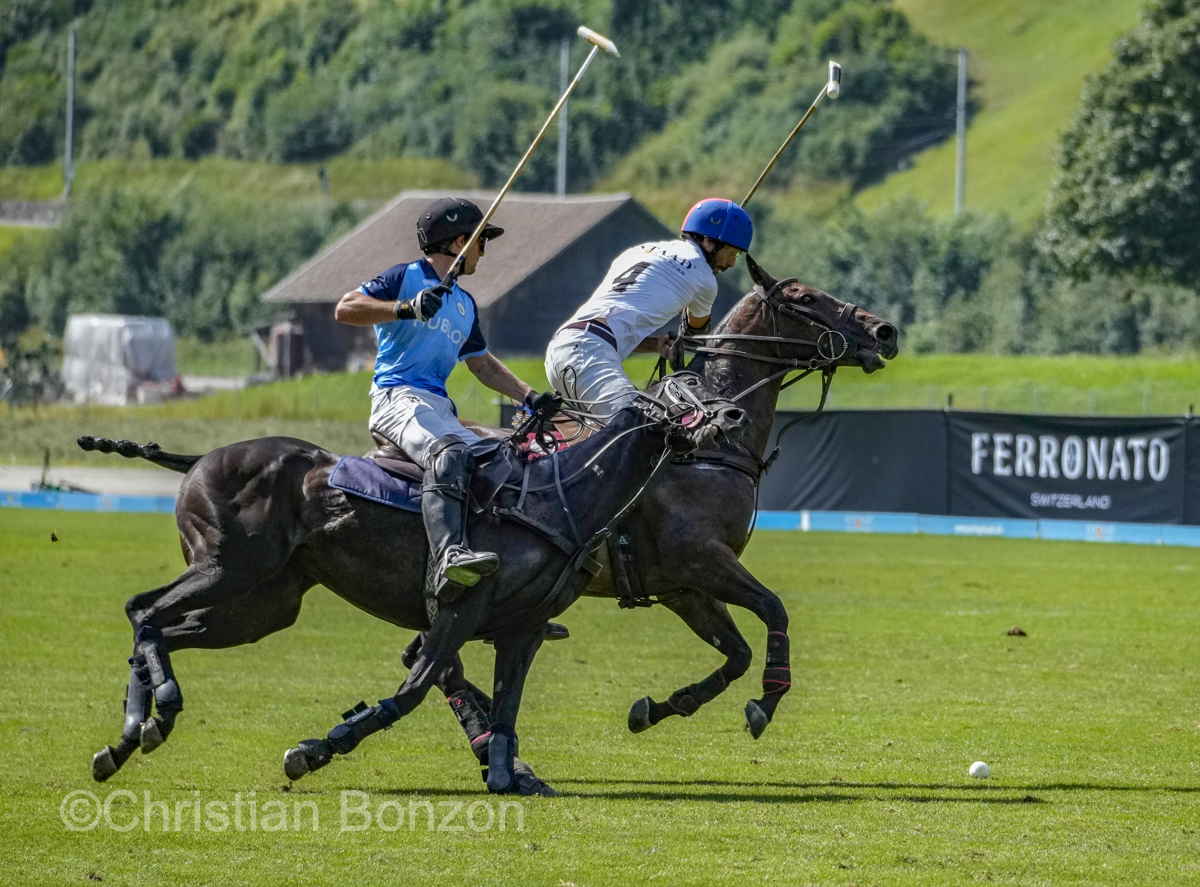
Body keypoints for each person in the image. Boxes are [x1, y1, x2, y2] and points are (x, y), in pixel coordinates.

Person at [335, 196, 553, 597]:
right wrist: (405, 308)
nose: (484, 252)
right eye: (481, 242)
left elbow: (483, 366)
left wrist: (530, 397)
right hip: (396, 398)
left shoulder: (465, 305)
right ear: (458, 243)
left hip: (438, 409)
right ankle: (449, 557)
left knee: (509, 462)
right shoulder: (405, 277)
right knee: (450, 455)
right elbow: (346, 308)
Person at [544, 198, 752, 420]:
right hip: (589, 356)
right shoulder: (706, 280)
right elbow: (694, 338)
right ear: (709, 242)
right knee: (638, 429)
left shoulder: (637, 251)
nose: (732, 263)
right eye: (732, 253)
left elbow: (612, 327)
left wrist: (655, 344)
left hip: (563, 348)